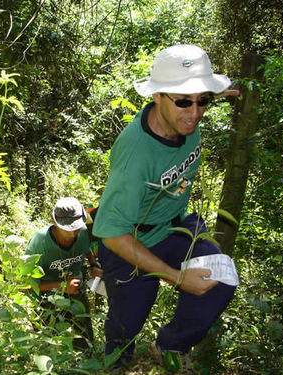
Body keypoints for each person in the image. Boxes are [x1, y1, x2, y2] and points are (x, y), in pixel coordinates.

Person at [92, 44, 239, 373]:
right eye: (184, 100)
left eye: (204, 100)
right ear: (157, 96)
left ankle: (168, 345)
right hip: (129, 240)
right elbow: (113, 234)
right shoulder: (135, 155)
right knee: (126, 326)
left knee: (222, 276)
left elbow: (192, 103)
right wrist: (177, 278)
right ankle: (116, 364)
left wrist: (216, 91)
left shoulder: (183, 117)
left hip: (174, 228)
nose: (195, 112)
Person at [25, 197, 103, 350]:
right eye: (69, 229)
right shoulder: (40, 242)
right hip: (47, 299)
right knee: (48, 344)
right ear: (55, 222)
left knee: (85, 341)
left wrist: (93, 264)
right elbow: (27, 283)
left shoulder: (84, 233)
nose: (74, 233)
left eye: (77, 227)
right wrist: (61, 286)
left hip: (76, 292)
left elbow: (86, 249)